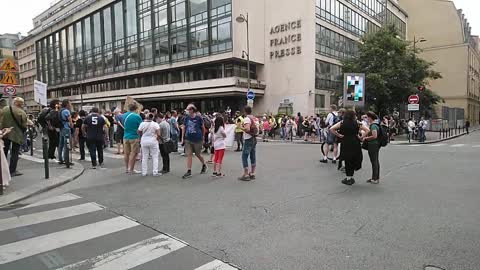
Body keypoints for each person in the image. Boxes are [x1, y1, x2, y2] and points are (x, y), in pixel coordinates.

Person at [330, 110, 369, 186]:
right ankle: (352, 172)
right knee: (355, 157)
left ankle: (349, 178)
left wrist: (339, 135)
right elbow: (367, 130)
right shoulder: (357, 123)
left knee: (347, 159)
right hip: (355, 142)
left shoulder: (342, 122)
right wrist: (361, 137)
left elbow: (332, 128)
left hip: (346, 142)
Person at [0, 98, 27, 177]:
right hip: (16, 134)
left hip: (5, 133)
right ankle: (12, 171)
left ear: (14, 102)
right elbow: (24, 125)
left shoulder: (5, 109)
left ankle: (2, 169)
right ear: (21, 104)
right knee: (15, 153)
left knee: (3, 151)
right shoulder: (21, 112)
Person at [182, 104, 208, 179]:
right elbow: (184, 128)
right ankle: (189, 171)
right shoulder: (186, 118)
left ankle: (204, 164)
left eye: (188, 110)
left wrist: (203, 137)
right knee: (189, 154)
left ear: (192, 110)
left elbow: (203, 128)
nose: (187, 111)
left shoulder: (199, 118)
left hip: (197, 139)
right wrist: (182, 138)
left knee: (198, 154)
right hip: (188, 139)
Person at [238, 106, 258, 181]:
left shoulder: (247, 119)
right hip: (254, 138)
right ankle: (252, 173)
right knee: (253, 155)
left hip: (248, 138)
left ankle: (246, 174)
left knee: (244, 156)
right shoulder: (254, 118)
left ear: (245, 111)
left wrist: (240, 127)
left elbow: (247, 129)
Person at [123, 104, 143, 174]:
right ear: (136, 109)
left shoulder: (124, 115)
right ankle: (131, 169)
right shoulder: (137, 116)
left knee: (126, 153)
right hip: (134, 136)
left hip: (125, 136)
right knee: (133, 153)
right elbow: (141, 127)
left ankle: (126, 168)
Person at [364, 112, 381, 184]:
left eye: (367, 117)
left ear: (370, 118)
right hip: (375, 144)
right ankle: (376, 177)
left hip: (373, 144)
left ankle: (374, 178)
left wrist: (366, 138)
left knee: (374, 161)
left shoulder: (373, 126)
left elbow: (374, 136)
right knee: (375, 161)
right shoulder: (375, 124)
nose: (366, 119)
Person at [57, 99, 74, 166]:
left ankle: (60, 159)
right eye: (70, 103)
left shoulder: (60, 110)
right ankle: (66, 160)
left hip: (61, 128)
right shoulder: (67, 111)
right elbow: (70, 122)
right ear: (67, 104)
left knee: (61, 145)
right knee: (66, 145)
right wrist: (72, 126)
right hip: (66, 128)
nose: (70, 105)